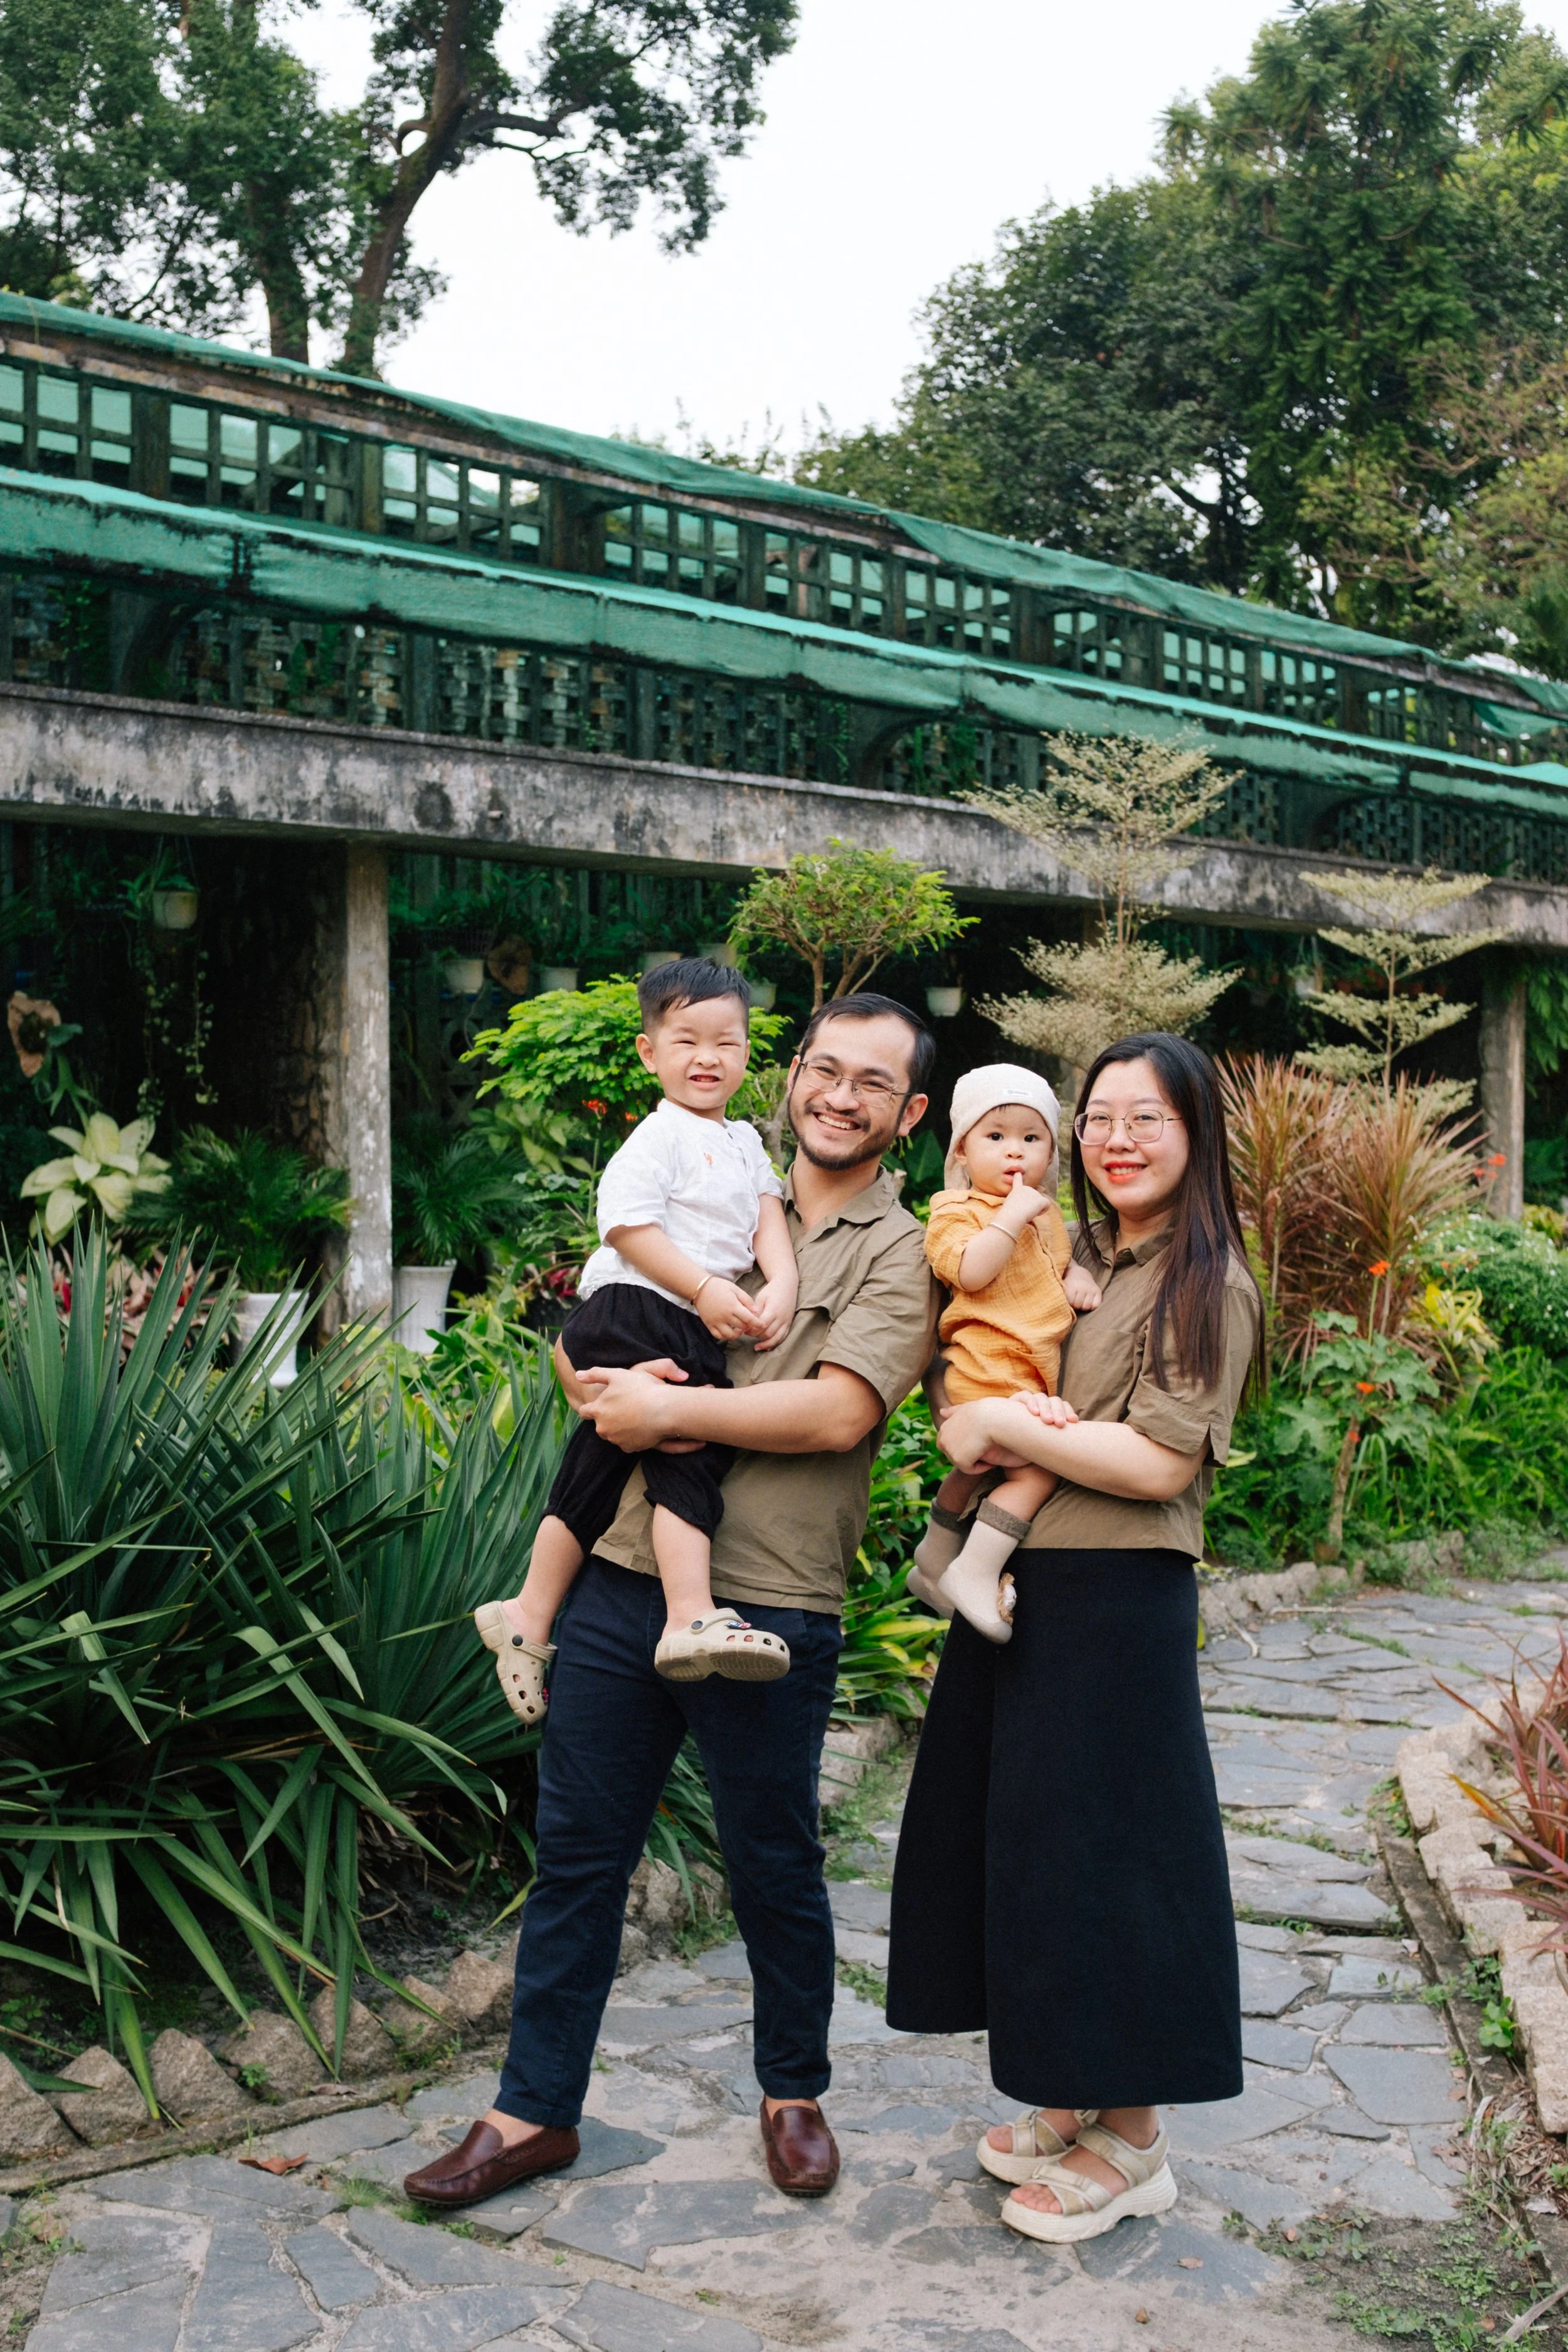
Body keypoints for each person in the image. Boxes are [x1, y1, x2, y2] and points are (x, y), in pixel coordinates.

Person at [405, 994, 942, 2213]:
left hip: (768, 1601)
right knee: (578, 1857)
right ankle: (530, 2111)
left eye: (872, 1082)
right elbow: (585, 1332)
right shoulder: (703, 1173)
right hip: (619, 1574)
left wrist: (669, 1413)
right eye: (824, 1068)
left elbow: (839, 1411)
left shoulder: (901, 1253)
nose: (839, 1095)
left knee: (772, 1861)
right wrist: (606, 1378)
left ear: (906, 1113)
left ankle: (790, 2091)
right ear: (792, 1076)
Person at [887, 1032, 1263, 2246]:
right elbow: (977, 1370)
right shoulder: (1077, 1255)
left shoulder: (1211, 1283)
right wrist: (972, 1413)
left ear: (1196, 1132)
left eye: (1145, 1118)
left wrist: (998, 1423)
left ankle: (1138, 2137)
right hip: (1028, 1588)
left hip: (1121, 1593)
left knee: (1123, 1860)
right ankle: (1066, 2093)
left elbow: (1155, 1462)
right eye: (1098, 1117)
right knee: (1034, 1855)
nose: (1115, 1139)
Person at [474, 958, 798, 1719]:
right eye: (686, 1041)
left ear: (748, 1053)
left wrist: (778, 1282)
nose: (708, 1058)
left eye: (727, 1042)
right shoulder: (658, 1137)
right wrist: (706, 1288)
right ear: (651, 1052)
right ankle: (689, 1614)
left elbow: (768, 1217)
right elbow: (624, 1225)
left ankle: (527, 1614)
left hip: (659, 1315)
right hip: (640, 1306)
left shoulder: (747, 1142)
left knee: (596, 1465)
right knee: (690, 1450)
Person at [908, 1064, 1102, 1640]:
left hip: (1026, 1377)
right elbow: (969, 1271)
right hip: (984, 1375)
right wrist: (1010, 1219)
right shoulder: (955, 1212)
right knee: (1041, 1468)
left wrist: (1077, 1278)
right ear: (963, 1150)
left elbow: (1052, 1267)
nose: (1014, 1152)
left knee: (978, 1470)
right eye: (995, 1137)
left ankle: (934, 1558)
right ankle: (975, 1569)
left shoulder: (1046, 1217)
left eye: (1031, 1138)